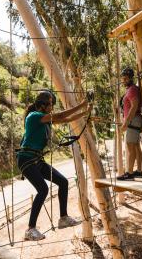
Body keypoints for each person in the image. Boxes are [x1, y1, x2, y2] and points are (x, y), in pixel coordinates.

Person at [17, 90, 90, 241]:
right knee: (43, 189)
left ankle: (63, 218)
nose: (52, 107)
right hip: (26, 159)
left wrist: (84, 113)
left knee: (63, 182)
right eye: (51, 104)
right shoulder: (34, 116)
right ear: (42, 105)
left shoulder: (44, 121)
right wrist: (82, 105)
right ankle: (30, 229)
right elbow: (62, 116)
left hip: (36, 160)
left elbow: (65, 119)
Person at [118, 67, 142, 180]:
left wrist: (126, 123)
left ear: (130, 78)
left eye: (125, 78)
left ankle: (129, 173)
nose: (123, 80)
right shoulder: (131, 89)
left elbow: (134, 106)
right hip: (135, 120)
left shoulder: (133, 89)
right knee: (136, 146)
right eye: (122, 78)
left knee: (130, 146)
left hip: (133, 120)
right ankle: (138, 171)